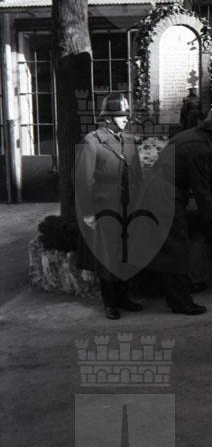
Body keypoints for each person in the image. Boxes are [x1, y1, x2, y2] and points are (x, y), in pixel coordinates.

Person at [146, 105, 212, 315]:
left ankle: (181, 289)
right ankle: (180, 302)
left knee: (175, 245)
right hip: (164, 196)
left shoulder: (192, 135)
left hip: (160, 191)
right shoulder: (201, 148)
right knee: (176, 248)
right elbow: (200, 185)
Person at [75, 92, 144, 320]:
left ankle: (124, 297)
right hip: (105, 205)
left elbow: (137, 175)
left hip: (128, 204)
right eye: (120, 114)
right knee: (108, 255)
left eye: (126, 114)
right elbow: (83, 181)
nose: (126, 118)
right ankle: (110, 302)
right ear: (107, 117)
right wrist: (87, 213)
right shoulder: (92, 141)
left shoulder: (128, 140)